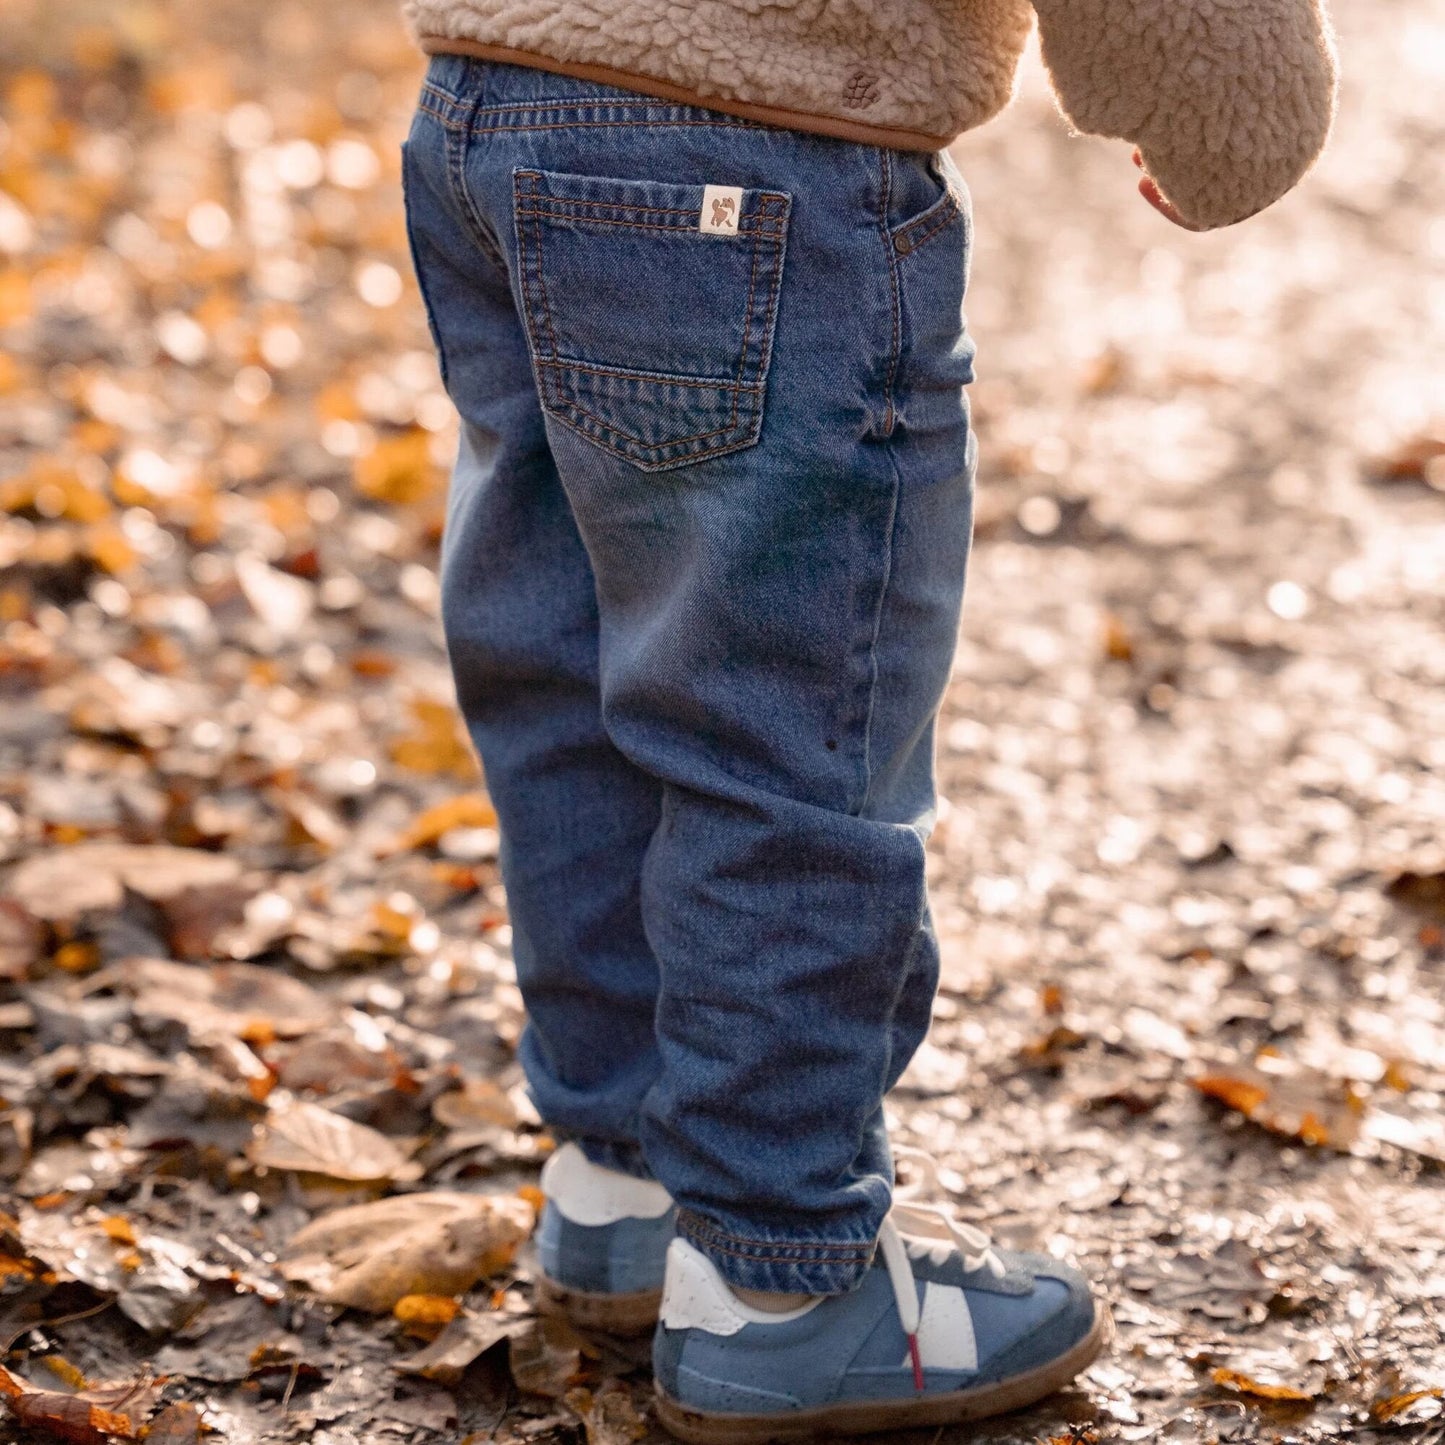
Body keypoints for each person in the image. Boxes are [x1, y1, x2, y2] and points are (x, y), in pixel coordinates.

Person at [397, 2, 1337, 1437]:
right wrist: (1217, 110)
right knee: (780, 718)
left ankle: (625, 1182)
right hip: (766, 137)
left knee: (570, 667)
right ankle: (779, 1278)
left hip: (487, 101)